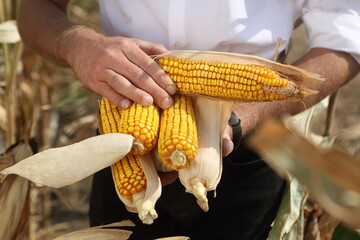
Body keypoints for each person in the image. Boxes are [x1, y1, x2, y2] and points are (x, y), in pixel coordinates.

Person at [17, 0, 360, 239]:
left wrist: (244, 115)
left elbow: (345, 38)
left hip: (252, 135)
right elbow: (36, 7)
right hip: (125, 127)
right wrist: (77, 44)